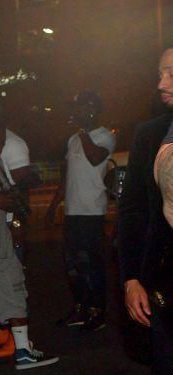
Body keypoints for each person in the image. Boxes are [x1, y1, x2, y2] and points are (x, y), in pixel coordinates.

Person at [118, 48, 173, 375]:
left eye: (171, 73)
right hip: (166, 285)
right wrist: (132, 277)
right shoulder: (151, 134)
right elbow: (134, 210)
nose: (161, 83)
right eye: (159, 73)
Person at [0, 117, 58, 369]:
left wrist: (13, 220)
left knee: (8, 292)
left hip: (1, 238)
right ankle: (22, 351)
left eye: (1, 143)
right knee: (11, 292)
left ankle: (18, 347)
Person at [46, 91, 116, 332]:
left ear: (92, 110)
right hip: (73, 212)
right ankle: (81, 308)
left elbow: (95, 158)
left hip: (92, 211)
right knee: (73, 265)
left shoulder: (105, 136)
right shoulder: (73, 139)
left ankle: (98, 312)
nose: (75, 112)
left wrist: (83, 131)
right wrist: (54, 205)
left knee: (93, 264)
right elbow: (66, 176)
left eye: (80, 107)